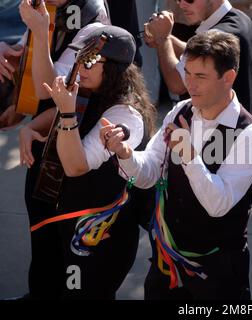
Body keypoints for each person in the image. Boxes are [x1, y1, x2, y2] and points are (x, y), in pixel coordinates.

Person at [103, 30, 252, 300]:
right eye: (187, 72)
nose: (189, 84)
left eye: (200, 76)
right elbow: (150, 171)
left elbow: (219, 204)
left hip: (218, 272)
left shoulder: (249, 133)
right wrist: (125, 153)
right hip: (166, 261)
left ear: (229, 78)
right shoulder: (181, 111)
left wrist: (190, 156)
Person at [19, 25, 156, 299]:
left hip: (96, 235)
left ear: (116, 68)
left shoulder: (125, 114)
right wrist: (31, 126)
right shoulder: (90, 85)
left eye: (91, 60)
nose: (81, 66)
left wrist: (68, 115)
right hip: (62, 217)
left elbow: (76, 166)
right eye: (80, 57)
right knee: (48, 280)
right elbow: (61, 109)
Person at [9, 0, 109, 299]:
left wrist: (40, 32)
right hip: (50, 128)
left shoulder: (92, 20)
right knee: (41, 228)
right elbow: (30, 60)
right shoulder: (49, 6)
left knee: (65, 241)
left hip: (75, 141)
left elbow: (49, 89)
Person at [0, 0, 109, 129]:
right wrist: (5, 49)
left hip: (82, 124)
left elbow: (47, 89)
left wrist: (40, 33)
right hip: (52, 113)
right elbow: (26, 50)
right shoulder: (53, 5)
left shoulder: (92, 24)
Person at [143, 0, 252, 112]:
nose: (182, 5)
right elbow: (198, 54)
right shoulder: (241, 18)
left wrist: (163, 39)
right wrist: (167, 37)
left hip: (217, 125)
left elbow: (177, 84)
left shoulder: (219, 36)